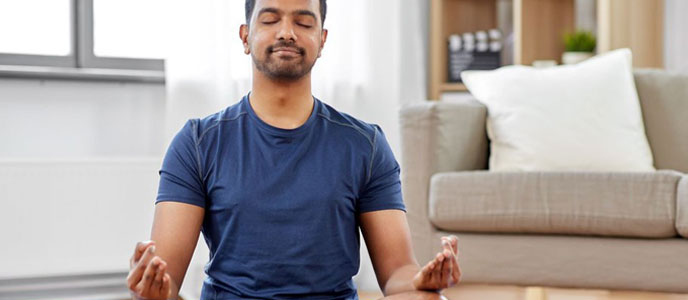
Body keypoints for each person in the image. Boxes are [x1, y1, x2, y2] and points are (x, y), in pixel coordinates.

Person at [126, 0, 460, 299]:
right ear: (245, 36)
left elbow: (398, 274)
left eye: (303, 22)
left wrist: (420, 284)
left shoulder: (365, 145)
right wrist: (154, 290)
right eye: (270, 20)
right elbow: (165, 280)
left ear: (322, 40)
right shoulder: (197, 142)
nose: (287, 32)